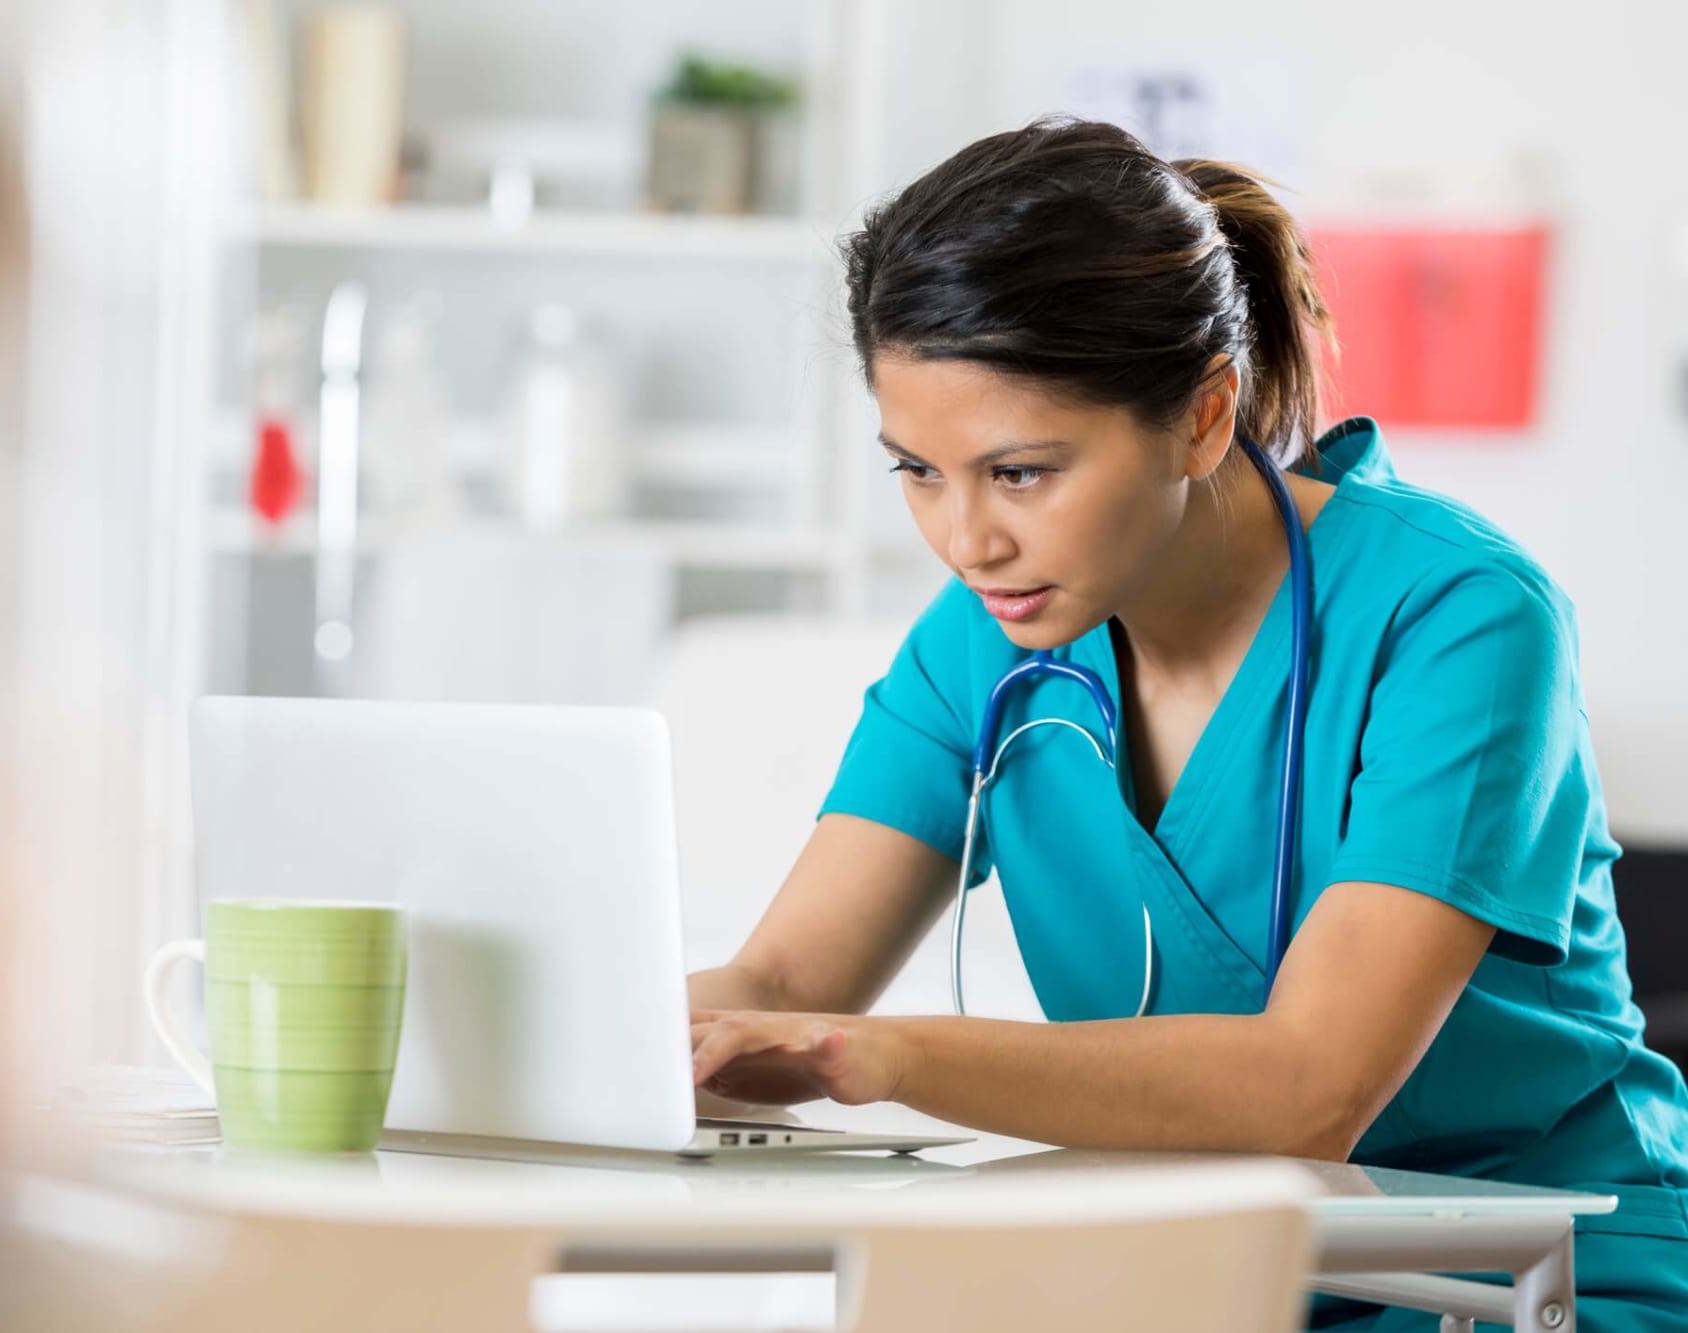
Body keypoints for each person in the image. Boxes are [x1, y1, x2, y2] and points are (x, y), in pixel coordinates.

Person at [686, 117, 1688, 1330]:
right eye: (916, 471)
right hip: (1203, 1266)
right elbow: (786, 976)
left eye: (1019, 472)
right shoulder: (983, 641)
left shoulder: (1458, 618)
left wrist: (882, 1055)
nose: (964, 541)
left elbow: (1306, 1089)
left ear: (1204, 416)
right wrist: (635, 1031)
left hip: (1525, 1266)